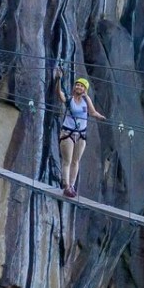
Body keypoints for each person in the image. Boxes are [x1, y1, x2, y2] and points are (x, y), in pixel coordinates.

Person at [54, 69, 106, 198]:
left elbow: (93, 112)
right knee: (67, 160)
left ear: (85, 89)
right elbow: (59, 94)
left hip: (81, 134)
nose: (78, 87)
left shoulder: (85, 101)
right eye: (77, 84)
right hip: (68, 132)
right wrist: (58, 80)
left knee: (76, 161)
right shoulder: (69, 99)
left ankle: (71, 185)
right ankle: (66, 186)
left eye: (81, 86)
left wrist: (101, 117)